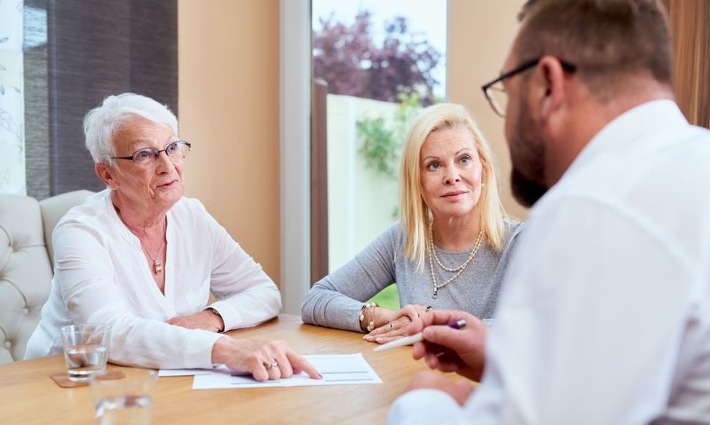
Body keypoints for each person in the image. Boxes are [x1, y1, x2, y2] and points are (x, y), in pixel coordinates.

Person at [388, 0, 710, 423]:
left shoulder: (594, 206)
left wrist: (426, 400)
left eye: (507, 90)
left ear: (547, 85)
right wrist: (504, 360)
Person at [25, 93, 320, 382]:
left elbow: (264, 292)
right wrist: (225, 350)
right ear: (108, 175)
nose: (168, 165)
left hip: (155, 379)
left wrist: (213, 317)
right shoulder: (80, 231)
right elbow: (107, 332)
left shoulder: (192, 216)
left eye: (173, 147)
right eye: (144, 155)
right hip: (64, 383)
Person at [301, 103, 524, 343]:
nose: (452, 176)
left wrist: (431, 325)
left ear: (484, 170)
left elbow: (535, 323)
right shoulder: (403, 240)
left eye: (464, 159)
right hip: (415, 376)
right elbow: (316, 299)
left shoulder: (520, 242)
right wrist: (385, 317)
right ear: (417, 182)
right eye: (434, 165)